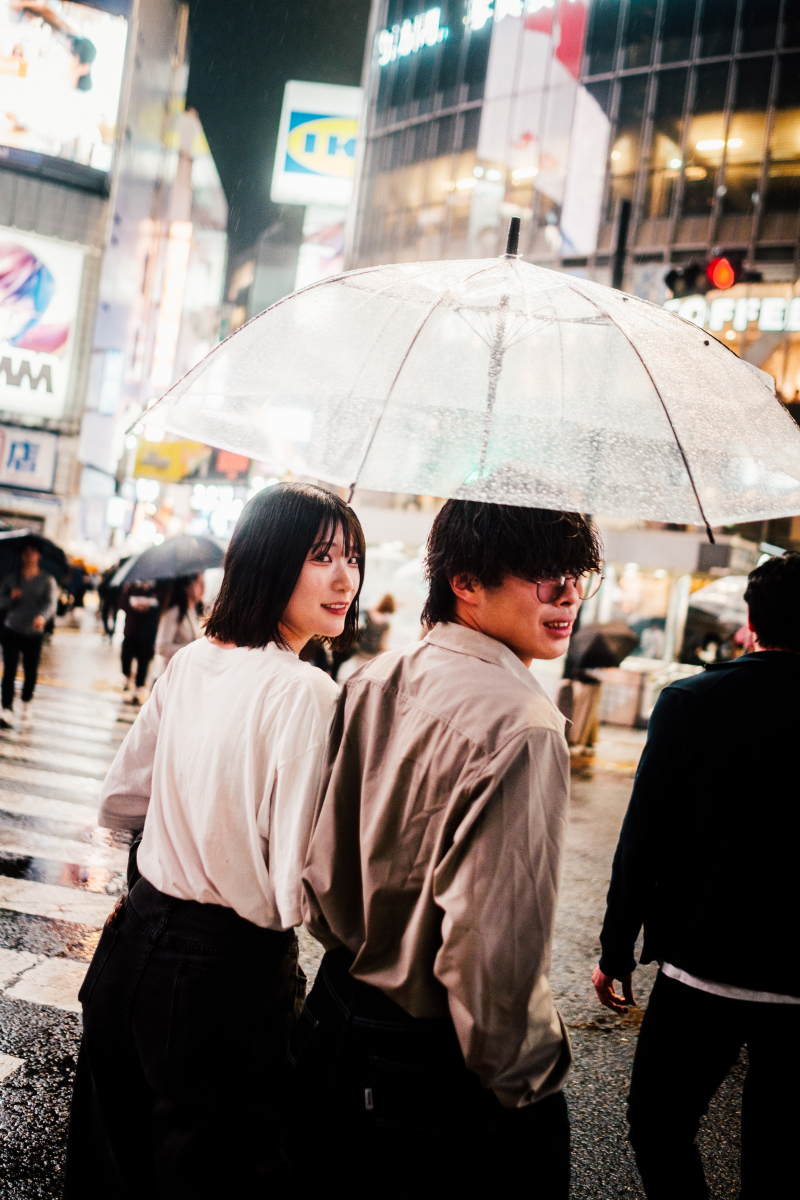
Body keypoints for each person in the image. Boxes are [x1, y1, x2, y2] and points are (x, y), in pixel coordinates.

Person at [290, 500, 603, 1197]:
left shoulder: (371, 677)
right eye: (544, 574)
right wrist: (527, 1087)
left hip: (331, 1017)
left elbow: (318, 866)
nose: (569, 595)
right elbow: (492, 957)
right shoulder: (524, 727)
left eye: (578, 574)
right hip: (431, 1067)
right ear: (465, 582)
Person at [64, 482, 365, 1199]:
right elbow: (304, 877)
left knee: (111, 1165)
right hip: (227, 976)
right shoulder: (308, 692)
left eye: (352, 556)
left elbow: (118, 802)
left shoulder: (195, 660)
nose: (344, 577)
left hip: (133, 946)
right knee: (224, 1174)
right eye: (321, 555)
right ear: (268, 558)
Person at [592, 552, 800, 1200]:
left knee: (658, 1126)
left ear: (750, 620)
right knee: (780, 1153)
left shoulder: (690, 702)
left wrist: (614, 949)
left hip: (701, 964)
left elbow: (643, 840)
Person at [0, 537, 57, 727]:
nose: (29, 555)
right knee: (9, 669)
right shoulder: (11, 578)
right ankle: (6, 707)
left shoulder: (47, 579)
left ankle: (26, 701)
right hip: (12, 628)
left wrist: (42, 617)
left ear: (39, 555)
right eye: (26, 552)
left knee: (30, 670)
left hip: (34, 631)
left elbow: (51, 603)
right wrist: (11, 598)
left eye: (33, 552)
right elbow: (1, 601)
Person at [119, 579, 161, 703]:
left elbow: (160, 608)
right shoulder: (131, 588)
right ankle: (127, 677)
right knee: (126, 656)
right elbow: (121, 604)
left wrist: (148, 608)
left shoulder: (158, 589)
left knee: (143, 662)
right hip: (131, 631)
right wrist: (133, 606)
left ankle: (138, 689)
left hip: (147, 633)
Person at [154, 573, 204, 668]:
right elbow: (161, 647)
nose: (202, 588)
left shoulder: (194, 611)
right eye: (199, 583)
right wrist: (192, 649)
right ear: (187, 586)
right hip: (169, 674)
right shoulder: (174, 612)